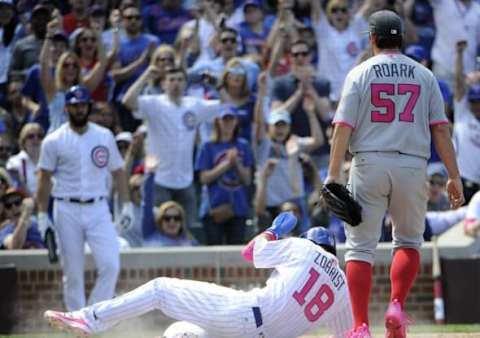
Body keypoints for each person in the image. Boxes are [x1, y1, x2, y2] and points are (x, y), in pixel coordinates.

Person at [325, 10, 465, 338]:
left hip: (369, 163)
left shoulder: (360, 73)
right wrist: (453, 175)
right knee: (408, 241)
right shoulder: (424, 75)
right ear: (401, 38)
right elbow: (441, 131)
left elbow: (342, 128)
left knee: (360, 248)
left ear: (372, 38)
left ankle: (361, 326)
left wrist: (333, 175)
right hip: (413, 165)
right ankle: (397, 305)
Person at [44, 212, 353, 338]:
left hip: (245, 313)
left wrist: (273, 230)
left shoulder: (302, 248)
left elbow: (250, 253)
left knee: (160, 289)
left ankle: (90, 318)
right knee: (181, 333)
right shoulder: (342, 289)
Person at [35, 85, 133, 311]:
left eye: (83, 105)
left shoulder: (104, 136)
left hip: (98, 206)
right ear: (67, 108)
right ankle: (78, 323)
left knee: (110, 264)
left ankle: (93, 316)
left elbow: (118, 171)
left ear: (89, 107)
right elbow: (44, 178)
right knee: (73, 272)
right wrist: (41, 215)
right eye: (74, 105)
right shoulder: (54, 140)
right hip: (65, 207)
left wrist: (126, 205)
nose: (79, 109)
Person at [122, 67, 221, 229]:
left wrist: (217, 84)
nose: (176, 83)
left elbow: (225, 105)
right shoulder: (154, 103)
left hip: (186, 180)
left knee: (186, 233)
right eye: (172, 79)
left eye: (180, 80)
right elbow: (128, 101)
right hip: (159, 180)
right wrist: (145, 75)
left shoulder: (194, 105)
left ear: (186, 84)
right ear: (163, 84)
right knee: (157, 231)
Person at [196, 106, 254, 245]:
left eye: (231, 119)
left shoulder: (243, 145)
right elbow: (204, 178)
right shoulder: (208, 146)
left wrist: (237, 164)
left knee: (234, 253)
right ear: (218, 122)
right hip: (213, 207)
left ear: (236, 122)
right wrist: (226, 164)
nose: (227, 123)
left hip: (238, 208)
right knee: (213, 250)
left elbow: (247, 179)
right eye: (224, 119)